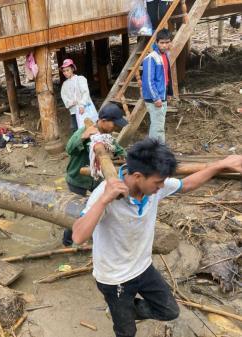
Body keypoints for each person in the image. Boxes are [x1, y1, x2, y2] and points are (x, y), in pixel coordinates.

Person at [72, 138, 242, 337]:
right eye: (158, 182)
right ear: (138, 176)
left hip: (143, 267)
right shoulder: (105, 194)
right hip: (114, 278)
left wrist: (219, 165)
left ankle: (123, 310)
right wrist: (103, 201)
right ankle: (121, 312)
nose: (162, 187)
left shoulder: (152, 187)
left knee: (169, 311)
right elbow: (77, 236)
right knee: (126, 332)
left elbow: (186, 185)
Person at [62, 103, 127, 246]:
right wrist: (83, 137)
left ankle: (94, 234)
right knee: (74, 212)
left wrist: (125, 157)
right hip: (77, 179)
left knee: (98, 207)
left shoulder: (106, 137)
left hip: (96, 180)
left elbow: (119, 150)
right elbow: (69, 149)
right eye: (114, 123)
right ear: (103, 121)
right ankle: (68, 241)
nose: (116, 127)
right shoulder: (85, 131)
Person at [142, 28, 173, 143]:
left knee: (159, 125)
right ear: (156, 42)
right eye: (162, 43)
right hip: (155, 98)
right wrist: (156, 98)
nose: (165, 45)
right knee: (157, 127)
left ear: (170, 42)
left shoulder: (165, 56)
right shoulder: (151, 58)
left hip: (162, 95)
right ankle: (155, 153)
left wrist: (168, 92)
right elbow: (148, 81)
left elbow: (167, 76)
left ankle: (159, 150)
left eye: (167, 42)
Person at [60, 58, 98, 132]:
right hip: (74, 111)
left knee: (89, 128)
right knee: (76, 130)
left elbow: (85, 92)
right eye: (64, 71)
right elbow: (64, 96)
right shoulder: (65, 84)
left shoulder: (81, 79)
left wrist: (82, 105)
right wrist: (71, 102)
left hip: (85, 109)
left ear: (72, 69)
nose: (65, 73)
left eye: (67, 70)